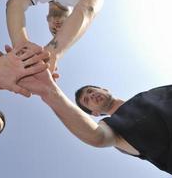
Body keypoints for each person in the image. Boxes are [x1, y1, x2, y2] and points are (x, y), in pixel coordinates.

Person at [18, 70, 172, 175]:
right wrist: (49, 92)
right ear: (94, 113)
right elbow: (97, 136)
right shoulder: (112, 126)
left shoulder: (150, 94)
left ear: (105, 89)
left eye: (91, 91)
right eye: (86, 99)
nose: (91, 95)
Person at [6, 0, 104, 72]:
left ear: (47, 19)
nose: (57, 28)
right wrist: (52, 54)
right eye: (62, 30)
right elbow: (88, 8)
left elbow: (14, 2)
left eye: (53, 30)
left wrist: (21, 48)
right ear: (71, 18)